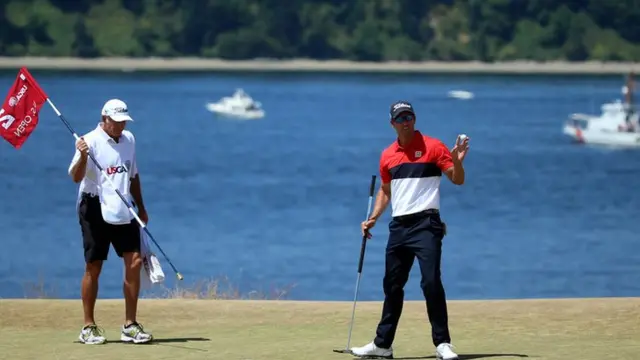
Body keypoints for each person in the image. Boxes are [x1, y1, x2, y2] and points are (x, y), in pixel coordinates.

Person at [350, 101, 469, 360]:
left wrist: (457, 162)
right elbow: (385, 190)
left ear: (414, 119)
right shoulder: (387, 155)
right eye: (400, 118)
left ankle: (443, 343)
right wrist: (372, 219)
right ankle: (383, 345)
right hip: (399, 228)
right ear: (392, 123)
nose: (406, 121)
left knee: (430, 282)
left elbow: (457, 179)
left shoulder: (434, 147)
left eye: (409, 117)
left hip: (427, 224)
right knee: (392, 285)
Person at [68, 98, 153, 345]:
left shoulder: (129, 140)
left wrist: (142, 207)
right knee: (94, 266)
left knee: (135, 260)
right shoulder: (88, 141)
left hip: (123, 205)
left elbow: (133, 174)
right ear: (104, 119)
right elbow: (75, 177)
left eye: (124, 120)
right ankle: (88, 327)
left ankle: (130, 325)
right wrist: (83, 157)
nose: (121, 125)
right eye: (116, 121)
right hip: (93, 206)